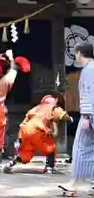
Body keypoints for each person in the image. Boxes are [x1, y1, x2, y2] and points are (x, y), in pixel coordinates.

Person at [3, 94, 73, 174]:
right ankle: (49, 168)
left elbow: (24, 122)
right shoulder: (53, 108)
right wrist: (70, 119)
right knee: (50, 147)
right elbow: (62, 115)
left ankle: (10, 164)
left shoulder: (35, 108)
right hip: (38, 130)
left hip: (26, 131)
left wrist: (20, 138)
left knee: (24, 154)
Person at [59, 41, 94, 196]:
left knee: (80, 146)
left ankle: (73, 184)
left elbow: (89, 93)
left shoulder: (89, 70)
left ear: (79, 53)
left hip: (90, 113)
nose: (75, 57)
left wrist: (85, 115)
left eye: (75, 54)